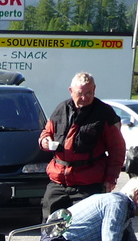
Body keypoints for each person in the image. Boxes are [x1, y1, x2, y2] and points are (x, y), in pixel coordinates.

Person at [38, 72, 126, 219]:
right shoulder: (61, 109)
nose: (84, 98)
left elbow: (117, 149)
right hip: (58, 183)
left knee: (84, 228)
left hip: (88, 185)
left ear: (94, 90)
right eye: (80, 93)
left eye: (89, 93)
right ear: (71, 91)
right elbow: (46, 133)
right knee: (50, 227)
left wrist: (111, 179)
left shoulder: (104, 113)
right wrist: (44, 141)